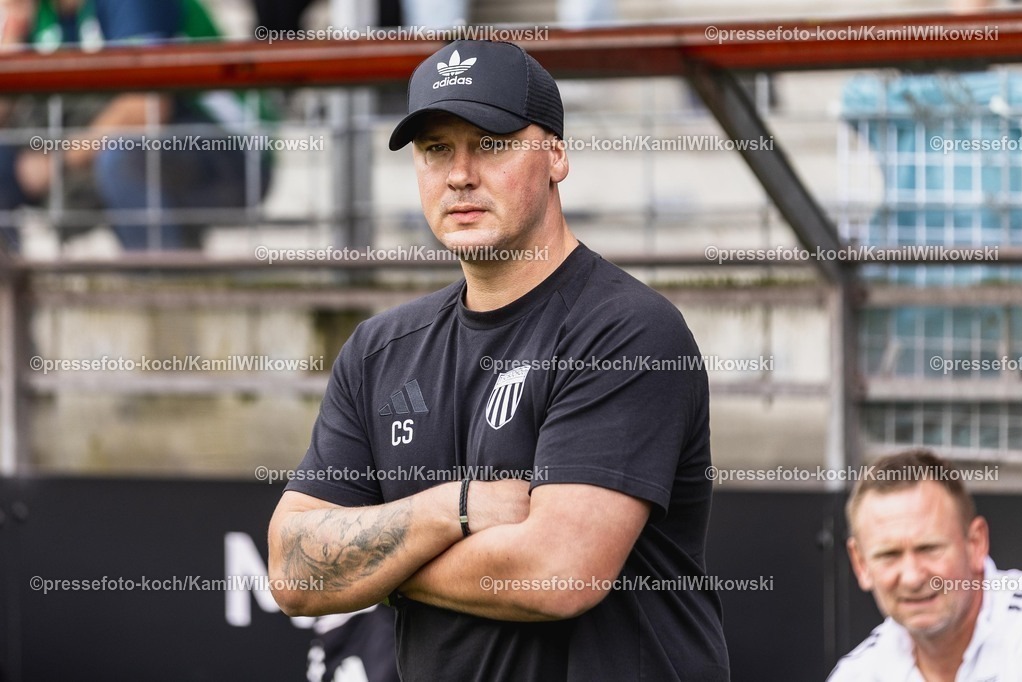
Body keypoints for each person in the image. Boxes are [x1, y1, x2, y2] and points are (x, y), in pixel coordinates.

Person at [268, 39, 729, 681]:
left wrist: (381, 566)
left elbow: (559, 573)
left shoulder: (626, 329)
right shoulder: (379, 350)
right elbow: (292, 572)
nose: (460, 174)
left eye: (490, 144)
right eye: (436, 150)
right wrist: (455, 509)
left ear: (556, 156)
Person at [0, 0, 272, 251]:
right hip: (139, 146)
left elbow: (147, 108)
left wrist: (57, 161)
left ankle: (163, 283)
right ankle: (11, 285)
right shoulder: (39, 12)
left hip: (233, 146)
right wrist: (11, 39)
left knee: (122, 156)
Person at [828, 449, 1022, 680]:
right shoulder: (856, 675)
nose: (912, 578)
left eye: (929, 548)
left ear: (976, 543)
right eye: (889, 555)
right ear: (860, 563)